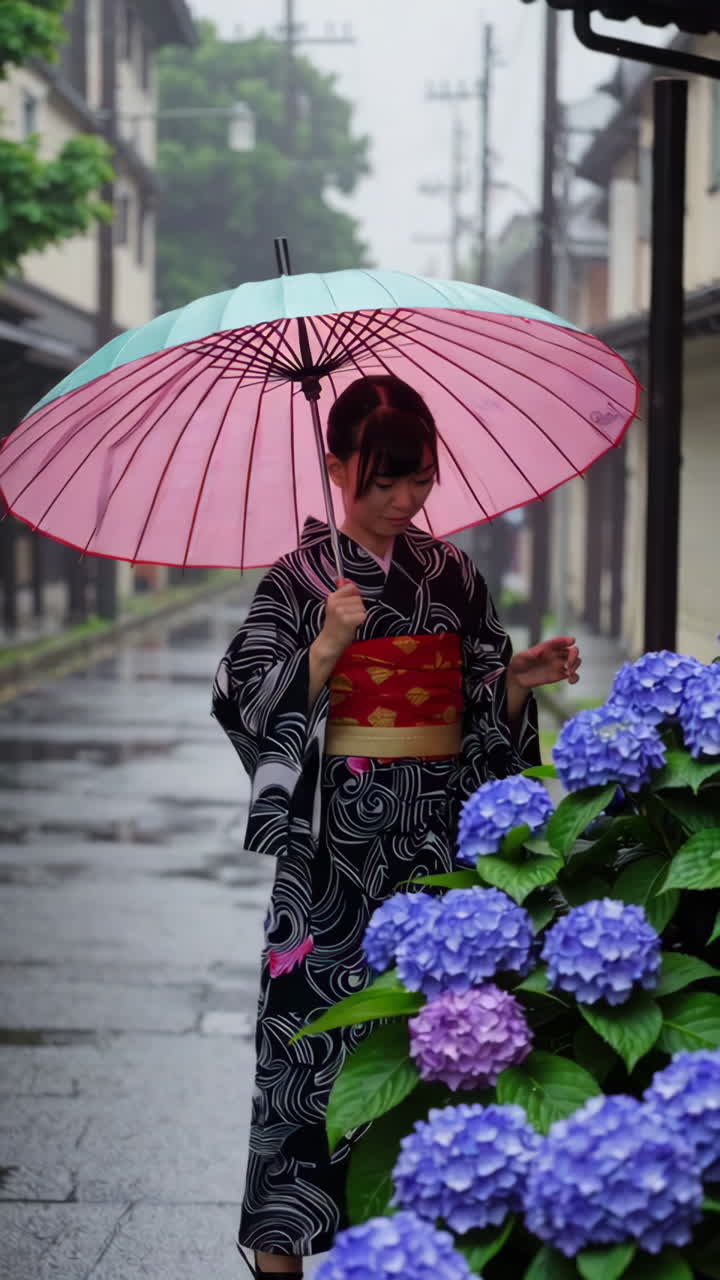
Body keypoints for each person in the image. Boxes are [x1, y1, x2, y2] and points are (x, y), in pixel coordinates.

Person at [212, 374, 581, 1277]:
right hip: (331, 863)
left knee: (430, 1056)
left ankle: (422, 1248)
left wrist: (518, 681)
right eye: (383, 484)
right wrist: (326, 647)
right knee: (309, 1059)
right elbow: (236, 700)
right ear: (336, 468)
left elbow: (479, 698)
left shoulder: (450, 574)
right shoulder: (297, 582)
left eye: (419, 482)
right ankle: (285, 1252)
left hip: (433, 852)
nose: (405, 502)